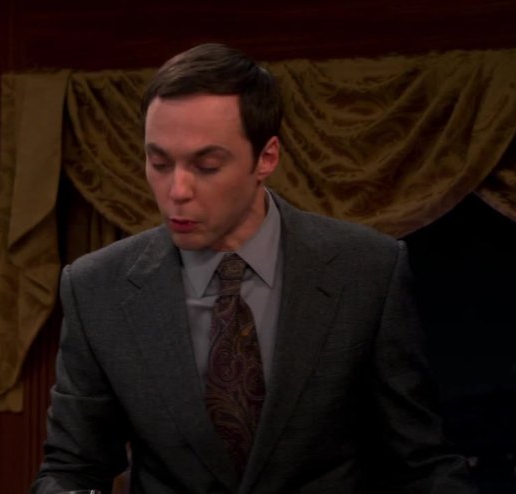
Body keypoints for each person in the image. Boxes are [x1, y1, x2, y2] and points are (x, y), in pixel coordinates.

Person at [31, 42, 476, 493]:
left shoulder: (366, 271)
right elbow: (71, 468)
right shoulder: (97, 289)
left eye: (207, 165)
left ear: (266, 158)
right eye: (159, 163)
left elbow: (421, 465)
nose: (177, 190)